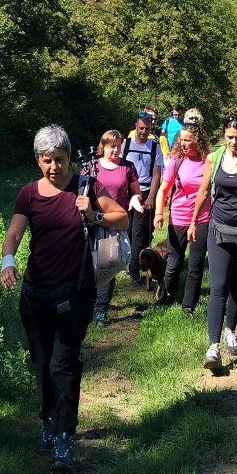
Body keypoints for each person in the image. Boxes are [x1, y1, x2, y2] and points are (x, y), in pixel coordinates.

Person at [0, 125, 127, 473]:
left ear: (70, 157)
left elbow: (123, 218)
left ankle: (64, 437)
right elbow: (14, 232)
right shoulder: (28, 194)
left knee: (64, 364)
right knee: (41, 365)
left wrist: (93, 214)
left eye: (59, 159)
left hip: (76, 291)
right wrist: (8, 261)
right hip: (36, 292)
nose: (53, 167)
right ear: (38, 161)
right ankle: (47, 420)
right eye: (47, 160)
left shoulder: (86, 186)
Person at [189, 113, 237, 372]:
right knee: (218, 285)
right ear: (223, 136)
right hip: (218, 228)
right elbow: (203, 191)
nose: (233, 142)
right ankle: (213, 347)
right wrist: (193, 222)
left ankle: (230, 330)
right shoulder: (215, 158)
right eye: (229, 137)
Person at [153, 122, 211, 313]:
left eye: (188, 140)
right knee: (174, 263)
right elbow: (163, 189)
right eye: (182, 140)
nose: (184, 144)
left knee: (195, 264)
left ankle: (188, 306)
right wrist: (159, 213)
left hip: (202, 218)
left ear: (198, 141)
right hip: (177, 217)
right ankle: (169, 294)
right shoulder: (176, 160)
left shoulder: (208, 161)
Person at [91, 129, 143, 326]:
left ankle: (101, 310)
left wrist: (135, 200)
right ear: (102, 147)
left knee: (107, 265)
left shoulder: (128, 167)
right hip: (91, 221)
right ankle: (87, 302)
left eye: (119, 146)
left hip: (114, 223)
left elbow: (136, 192)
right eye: (112, 146)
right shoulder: (91, 167)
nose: (116, 150)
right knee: (88, 263)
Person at [121, 112, 164, 286]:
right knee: (127, 230)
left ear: (151, 128)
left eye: (147, 128)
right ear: (135, 126)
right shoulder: (126, 144)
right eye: (140, 128)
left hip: (145, 192)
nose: (143, 132)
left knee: (140, 232)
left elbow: (156, 174)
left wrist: (152, 197)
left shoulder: (155, 147)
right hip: (126, 193)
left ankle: (134, 269)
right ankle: (127, 261)